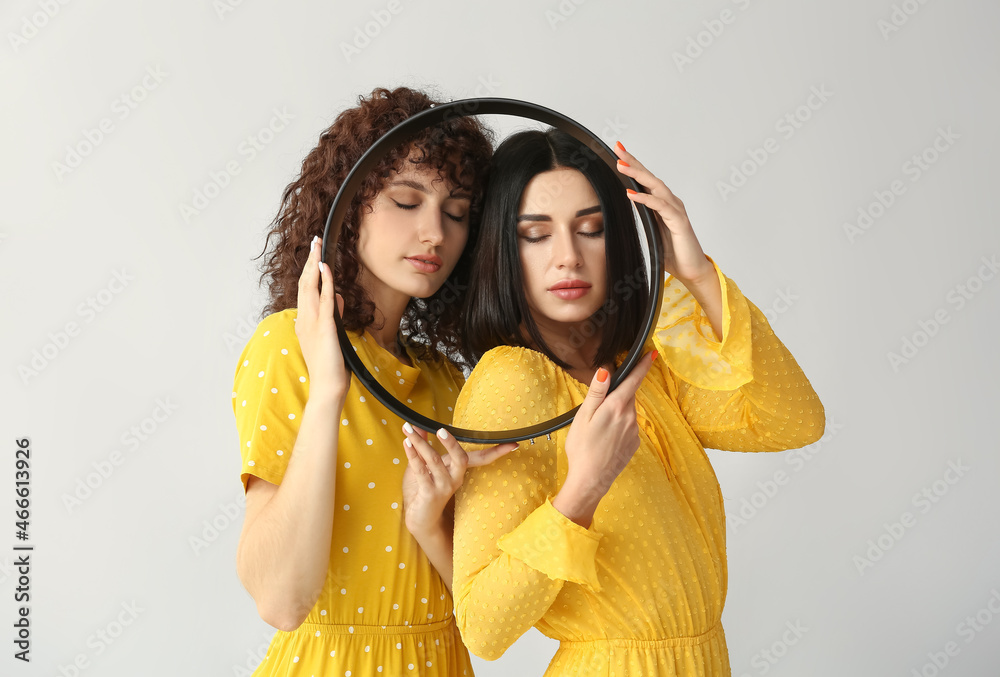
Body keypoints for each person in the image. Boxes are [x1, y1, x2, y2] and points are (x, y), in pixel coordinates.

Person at [421, 128, 826, 675]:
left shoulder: (647, 362)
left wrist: (695, 273)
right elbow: (485, 627)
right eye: (536, 235)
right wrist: (583, 490)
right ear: (503, 251)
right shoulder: (512, 380)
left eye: (591, 229)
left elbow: (793, 422)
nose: (569, 257)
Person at [230, 86, 515, 677]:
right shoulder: (291, 347)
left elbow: (485, 611)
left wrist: (432, 518)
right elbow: (281, 601)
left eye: (457, 212)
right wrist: (329, 391)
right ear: (348, 203)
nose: (436, 233)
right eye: (407, 201)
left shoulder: (448, 381)